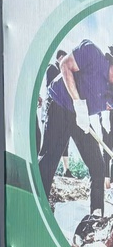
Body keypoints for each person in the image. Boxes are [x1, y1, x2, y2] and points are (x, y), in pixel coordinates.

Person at [39, 38, 113, 216]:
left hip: (81, 119)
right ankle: (37, 207)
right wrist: (78, 104)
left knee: (98, 165)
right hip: (58, 104)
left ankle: (95, 216)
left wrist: (82, 113)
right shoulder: (91, 52)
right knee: (51, 157)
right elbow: (65, 65)